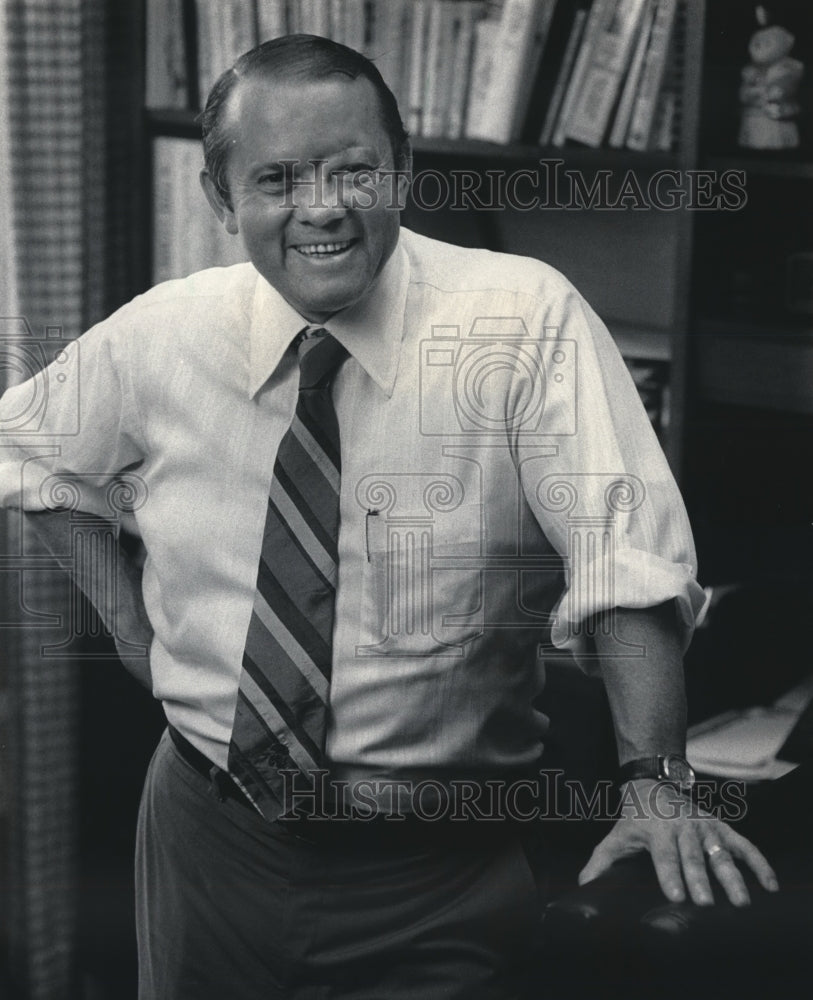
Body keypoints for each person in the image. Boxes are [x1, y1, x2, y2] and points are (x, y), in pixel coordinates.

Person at [0, 34, 778, 1000]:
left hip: (437, 866)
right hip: (207, 839)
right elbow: (27, 450)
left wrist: (653, 779)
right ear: (218, 198)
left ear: (402, 172)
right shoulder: (164, 330)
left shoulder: (522, 318)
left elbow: (621, 557)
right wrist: (128, 626)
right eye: (278, 177)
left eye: (353, 169)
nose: (321, 205)